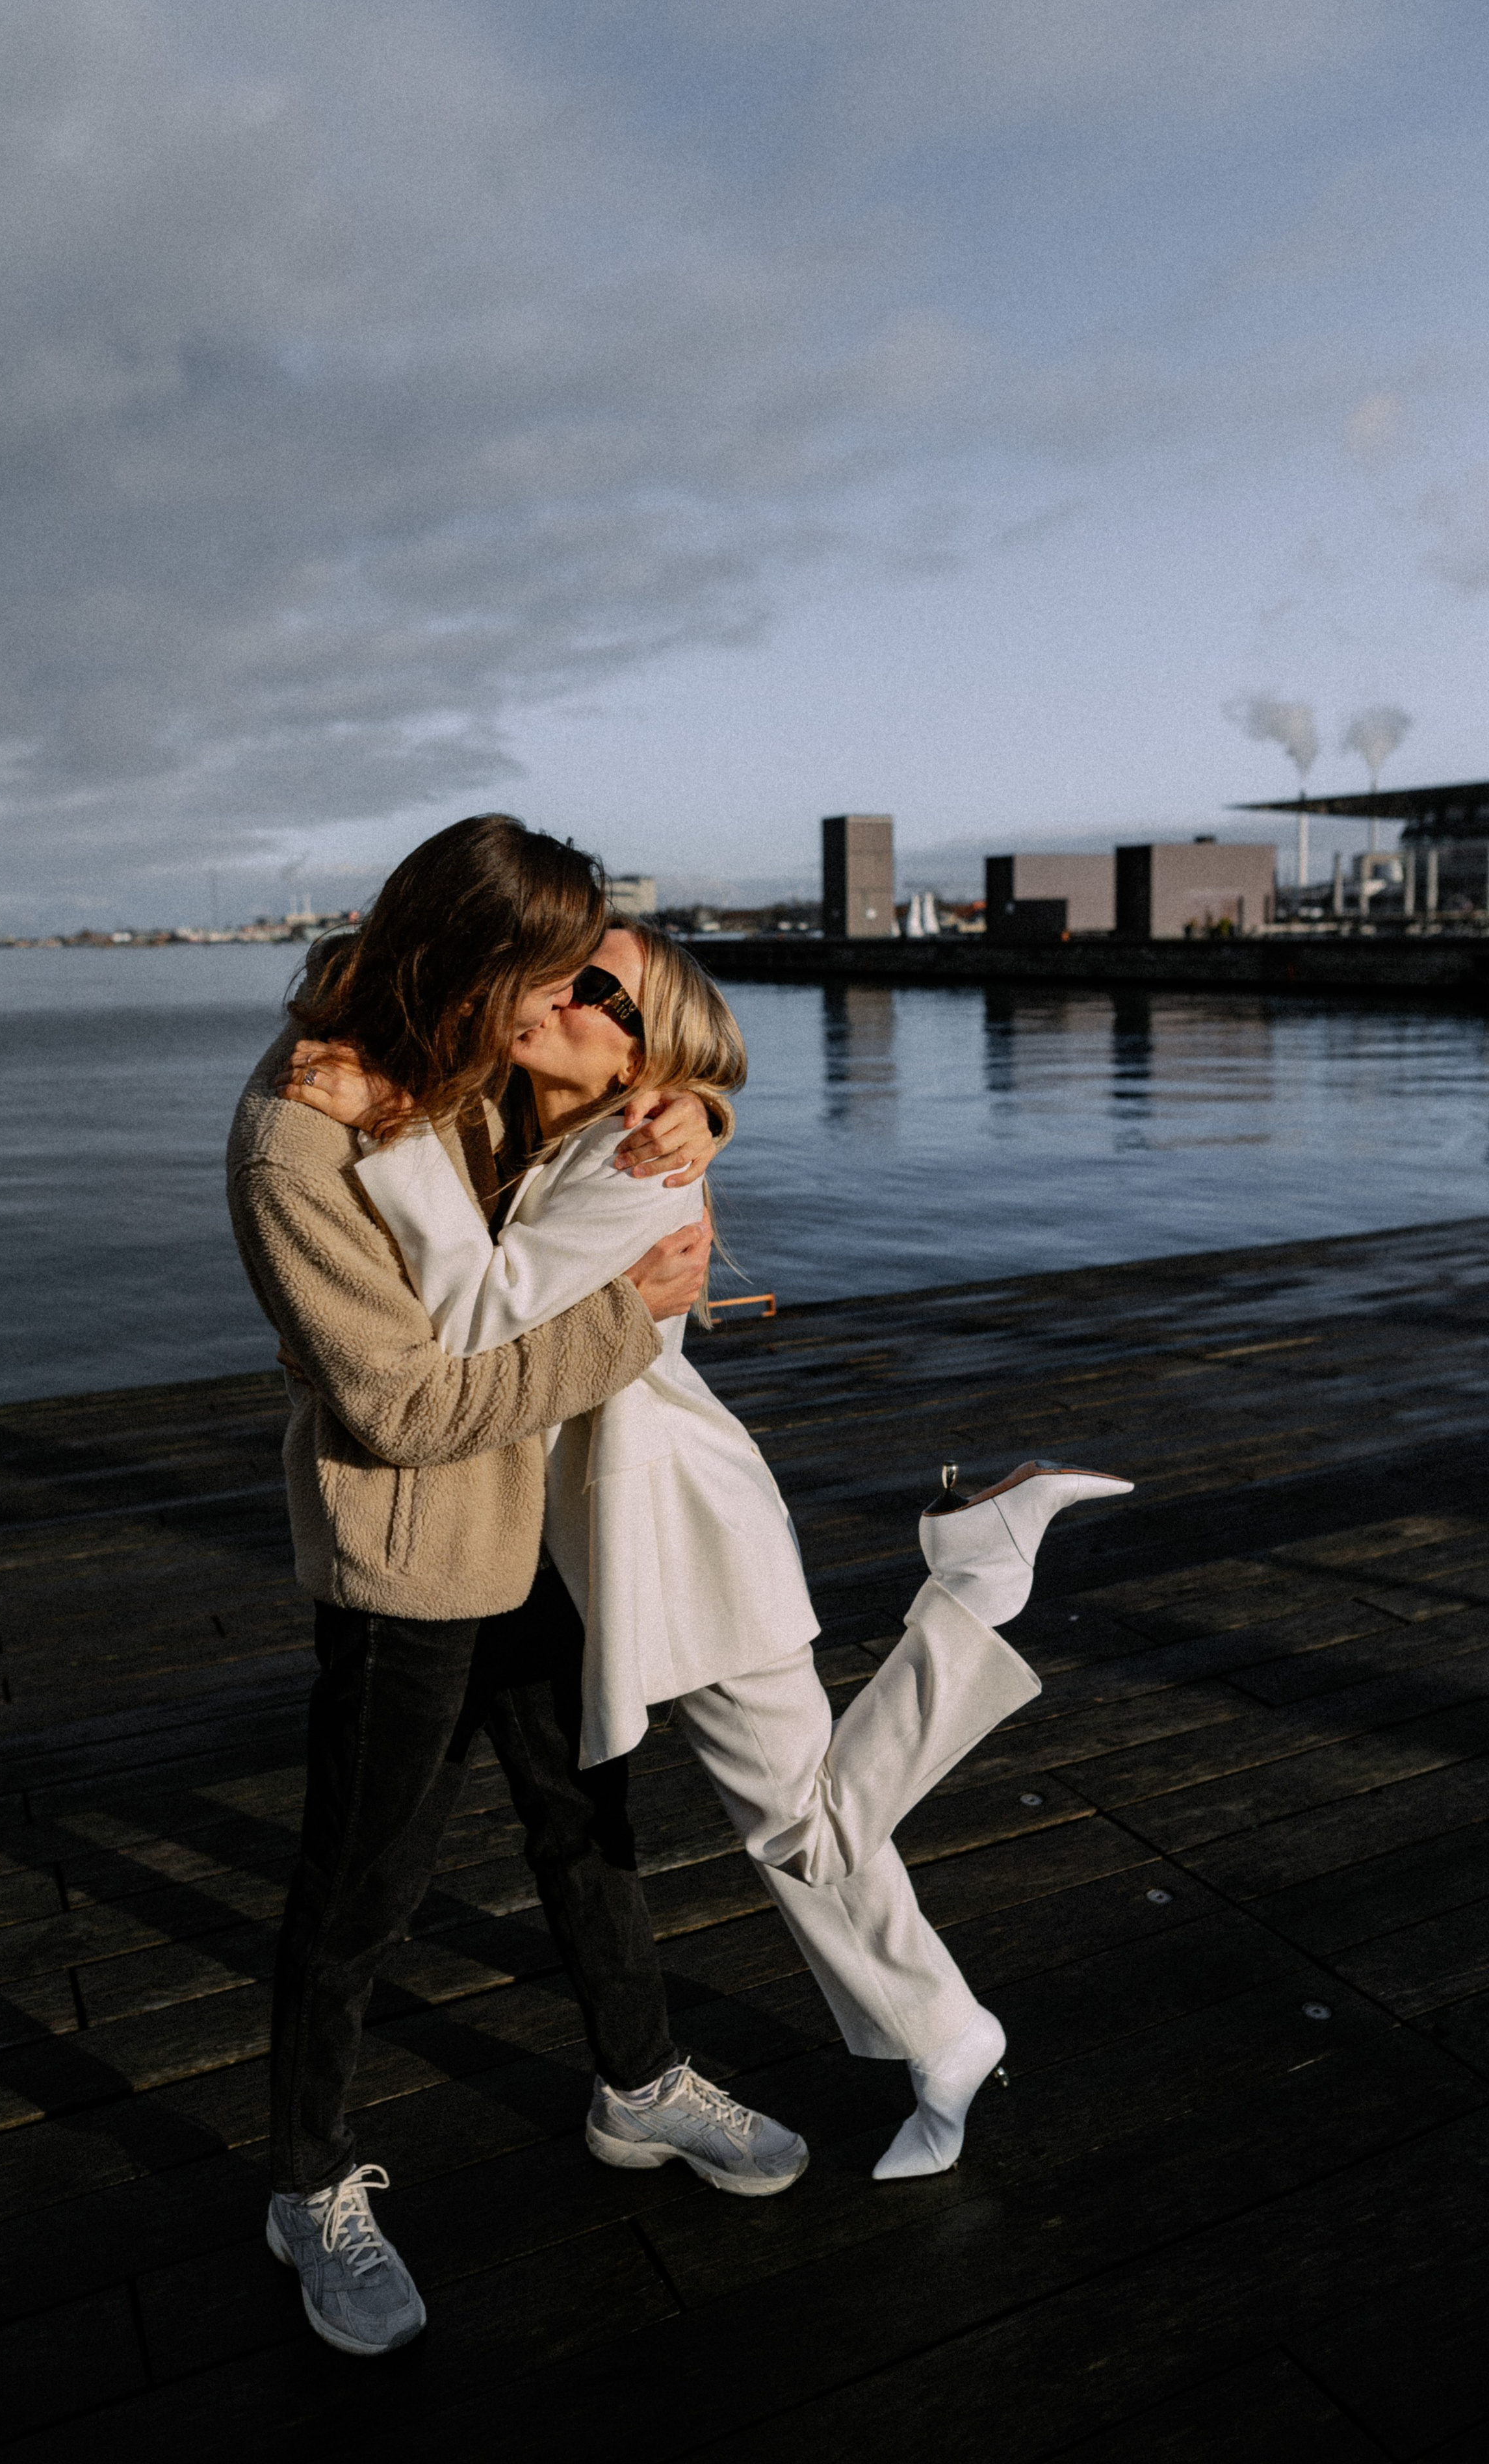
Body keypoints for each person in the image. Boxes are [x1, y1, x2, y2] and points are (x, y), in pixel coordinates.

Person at [282, 917, 1131, 2192]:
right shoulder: (574, 1137)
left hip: (677, 1530)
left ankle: (975, 1578)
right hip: (622, 1533)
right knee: (800, 1824)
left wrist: (411, 1129)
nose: (551, 990)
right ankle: (946, 2031)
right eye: (557, 969)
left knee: (804, 1822)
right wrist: (697, 1113)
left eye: (593, 988)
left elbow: (469, 1313)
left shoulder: (626, 1159)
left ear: (641, 1052)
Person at [227, 819, 809, 2365]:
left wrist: (691, 1115)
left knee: (588, 1820)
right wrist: (629, 1319)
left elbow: (583, 1146)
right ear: (462, 959)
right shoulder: (295, 1136)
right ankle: (302, 2185)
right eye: (537, 976)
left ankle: (638, 2080)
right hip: (410, 1553)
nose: (549, 1004)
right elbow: (406, 1409)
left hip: (539, 1527)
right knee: (362, 1881)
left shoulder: (455, 1058)